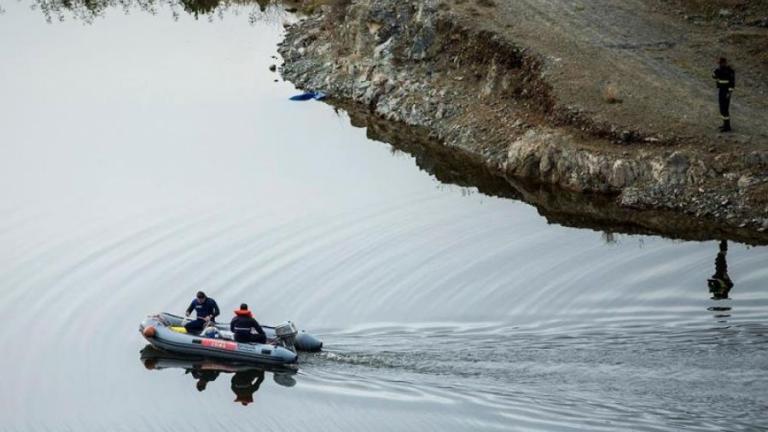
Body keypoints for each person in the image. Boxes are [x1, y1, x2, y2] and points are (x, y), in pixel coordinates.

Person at [712, 58, 736, 132]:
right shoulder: (719, 70)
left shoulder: (729, 71)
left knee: (725, 109)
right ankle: (725, 124)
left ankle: (727, 127)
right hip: (721, 91)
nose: (720, 65)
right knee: (722, 108)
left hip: (726, 92)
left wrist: (729, 93)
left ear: (724, 63)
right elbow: (713, 76)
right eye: (719, 64)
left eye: (721, 63)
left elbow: (732, 83)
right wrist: (715, 73)